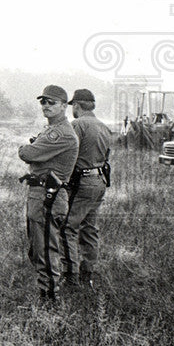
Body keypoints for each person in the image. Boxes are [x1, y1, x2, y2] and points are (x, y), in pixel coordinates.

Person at [18, 85, 80, 303]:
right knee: (38, 248)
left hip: (49, 195)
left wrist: (25, 149)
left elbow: (29, 153)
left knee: (45, 248)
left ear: (64, 105)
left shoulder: (60, 133)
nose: (45, 106)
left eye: (51, 102)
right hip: (41, 193)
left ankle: (50, 298)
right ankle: (48, 292)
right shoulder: (51, 129)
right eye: (43, 102)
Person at [62, 88, 113, 289]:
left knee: (68, 227)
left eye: (72, 106)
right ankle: (88, 274)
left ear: (76, 105)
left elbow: (68, 154)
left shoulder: (77, 125)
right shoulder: (103, 127)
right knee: (89, 228)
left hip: (82, 182)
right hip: (99, 181)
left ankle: (71, 277)